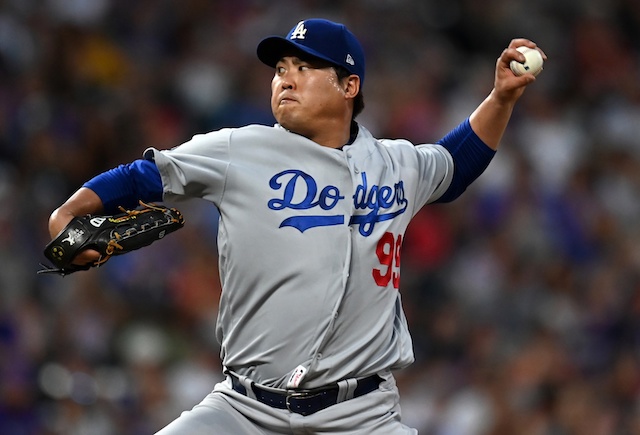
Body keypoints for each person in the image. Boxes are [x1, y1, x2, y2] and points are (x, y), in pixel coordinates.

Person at [46, 18, 546, 435]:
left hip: (362, 413)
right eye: (281, 68)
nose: (285, 78)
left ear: (350, 85)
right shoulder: (238, 149)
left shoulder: (397, 164)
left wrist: (501, 98)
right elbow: (142, 175)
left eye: (305, 67)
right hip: (246, 409)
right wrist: (67, 213)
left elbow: (455, 164)